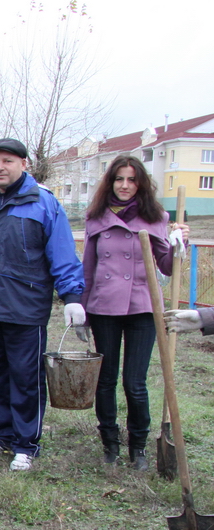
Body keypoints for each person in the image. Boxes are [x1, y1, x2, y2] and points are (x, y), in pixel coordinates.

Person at [0, 139, 85, 472]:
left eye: (7, 161)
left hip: (25, 306)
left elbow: (62, 251)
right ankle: (2, 434)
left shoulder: (43, 204)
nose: (0, 167)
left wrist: (71, 296)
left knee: (25, 377)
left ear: (23, 164)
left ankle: (26, 444)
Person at [83, 155, 188, 469]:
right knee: (106, 379)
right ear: (110, 183)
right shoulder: (97, 217)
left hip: (143, 307)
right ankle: (110, 444)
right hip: (104, 307)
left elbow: (168, 265)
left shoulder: (155, 217)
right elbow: (89, 266)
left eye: (131, 179)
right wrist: (82, 307)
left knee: (135, 382)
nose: (125, 185)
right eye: (119, 179)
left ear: (140, 182)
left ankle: (138, 448)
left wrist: (178, 242)